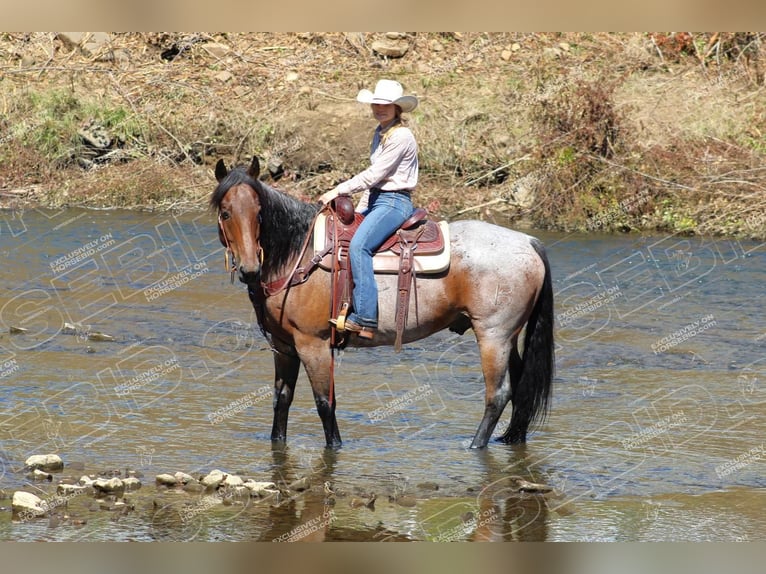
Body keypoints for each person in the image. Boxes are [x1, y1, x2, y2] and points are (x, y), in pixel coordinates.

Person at [319, 79, 419, 340]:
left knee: (359, 247)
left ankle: (365, 317)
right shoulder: (380, 132)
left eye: (385, 105)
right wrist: (360, 211)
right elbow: (373, 186)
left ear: (397, 108)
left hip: (394, 202)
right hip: (377, 200)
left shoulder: (401, 136)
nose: (380, 108)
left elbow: (375, 174)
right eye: (376, 104)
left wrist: (339, 190)